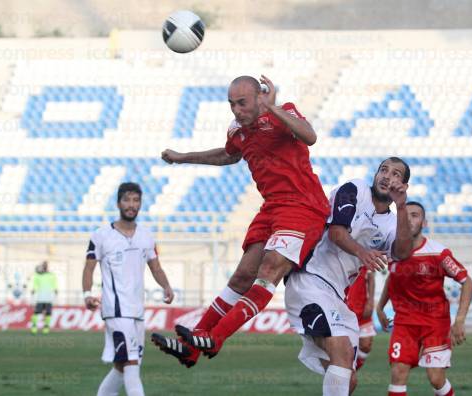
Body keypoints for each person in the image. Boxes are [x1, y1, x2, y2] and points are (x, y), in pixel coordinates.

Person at [152, 75, 330, 365]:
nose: (236, 110)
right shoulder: (237, 130)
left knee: (269, 269)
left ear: (259, 97)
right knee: (242, 276)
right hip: (271, 208)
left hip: (302, 207)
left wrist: (272, 108)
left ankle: (214, 338)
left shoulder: (283, 112)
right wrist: (184, 157)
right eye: (231, 104)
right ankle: (193, 347)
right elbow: (228, 155)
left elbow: (310, 136)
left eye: (242, 103)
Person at [285, 157, 413, 396]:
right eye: (383, 170)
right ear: (375, 174)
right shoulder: (355, 189)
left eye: (396, 174)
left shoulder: (393, 222)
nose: (387, 176)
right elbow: (336, 233)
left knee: (348, 379)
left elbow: (403, 253)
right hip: (310, 279)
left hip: (336, 296)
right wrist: (362, 252)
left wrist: (402, 205)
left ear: (403, 184)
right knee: (341, 351)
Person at [82, 182, 174, 396]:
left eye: (135, 200)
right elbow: (88, 269)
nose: (131, 205)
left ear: (140, 204)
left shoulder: (146, 236)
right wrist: (87, 294)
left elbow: (156, 267)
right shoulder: (101, 235)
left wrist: (166, 286)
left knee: (122, 366)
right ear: (118, 203)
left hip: (137, 312)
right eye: (127, 200)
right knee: (131, 364)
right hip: (115, 310)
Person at [376, 201, 472, 396]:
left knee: (436, 378)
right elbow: (393, 277)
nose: (410, 220)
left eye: (415, 215)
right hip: (404, 323)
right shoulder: (392, 251)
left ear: (424, 222)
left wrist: (460, 320)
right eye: (405, 215)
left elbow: (467, 282)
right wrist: (380, 307)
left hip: (435, 323)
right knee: (398, 372)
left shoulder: (438, 253)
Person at [345, 268, 376, 370]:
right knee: (345, 349)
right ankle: (346, 374)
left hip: (362, 310)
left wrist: (370, 301)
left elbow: (371, 277)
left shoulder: (362, 254)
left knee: (366, 345)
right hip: (344, 311)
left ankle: (351, 372)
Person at [30, 261, 58, 335]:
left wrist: (55, 289)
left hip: (49, 297)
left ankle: (46, 327)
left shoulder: (52, 275)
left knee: (48, 313)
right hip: (40, 297)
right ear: (42, 266)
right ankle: (34, 326)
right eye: (43, 265)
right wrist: (33, 289)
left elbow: (54, 283)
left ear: (47, 266)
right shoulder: (38, 275)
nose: (45, 266)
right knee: (36, 312)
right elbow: (35, 284)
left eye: (46, 265)